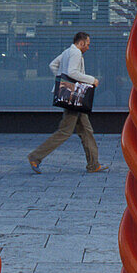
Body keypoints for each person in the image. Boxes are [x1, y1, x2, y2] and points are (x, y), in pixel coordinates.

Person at [27, 31, 107, 175]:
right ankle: (35, 157)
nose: (88, 48)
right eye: (87, 44)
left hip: (72, 97)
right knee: (65, 131)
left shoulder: (67, 51)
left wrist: (62, 82)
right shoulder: (76, 53)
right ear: (81, 43)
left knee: (86, 131)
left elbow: (53, 65)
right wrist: (91, 80)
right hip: (74, 98)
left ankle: (93, 164)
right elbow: (72, 72)